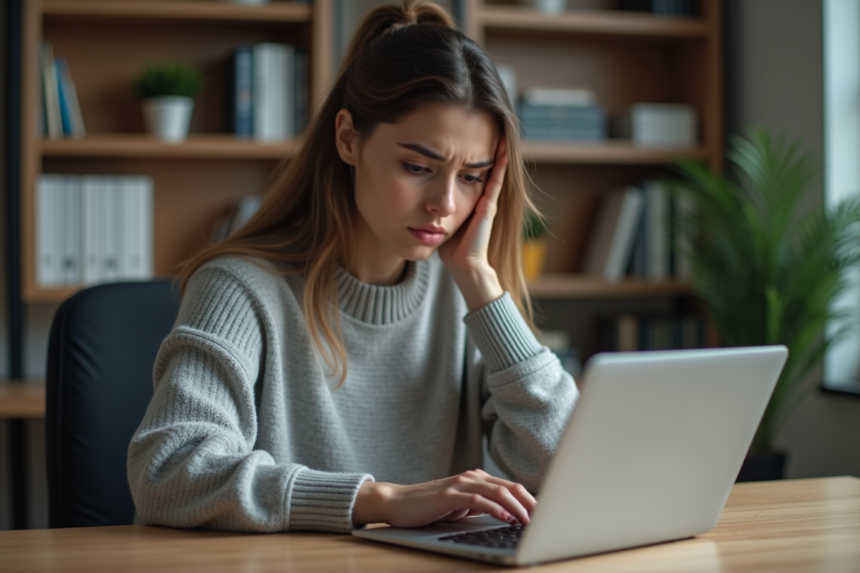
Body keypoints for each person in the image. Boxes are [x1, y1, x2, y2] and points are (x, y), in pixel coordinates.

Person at [127, 0, 578, 534]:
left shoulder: (464, 294)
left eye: (471, 177)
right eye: (418, 166)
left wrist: (482, 285)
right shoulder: (240, 287)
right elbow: (168, 472)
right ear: (347, 138)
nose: (445, 204)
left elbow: (566, 466)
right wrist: (377, 500)